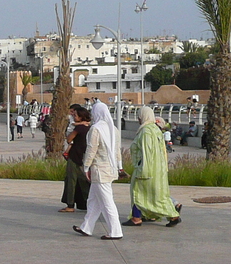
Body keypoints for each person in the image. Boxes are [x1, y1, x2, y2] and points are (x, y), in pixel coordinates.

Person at [125, 106, 182, 227]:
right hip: (158, 171)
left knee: (137, 193)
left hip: (146, 170)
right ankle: (171, 215)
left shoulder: (146, 131)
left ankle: (136, 218)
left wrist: (143, 171)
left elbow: (147, 152)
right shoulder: (155, 130)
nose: (138, 119)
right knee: (158, 196)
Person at [74, 101, 124, 241]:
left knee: (107, 202)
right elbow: (117, 151)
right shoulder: (114, 129)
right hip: (111, 168)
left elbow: (91, 150)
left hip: (99, 170)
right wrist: (120, 166)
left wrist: (86, 167)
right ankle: (86, 227)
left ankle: (116, 231)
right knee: (93, 200)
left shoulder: (96, 129)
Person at [60, 105, 91, 213]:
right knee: (84, 181)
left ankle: (70, 204)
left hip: (74, 156)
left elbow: (69, 139)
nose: (74, 116)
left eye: (76, 115)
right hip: (84, 156)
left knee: (71, 180)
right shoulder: (89, 127)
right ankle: (88, 202)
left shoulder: (78, 128)